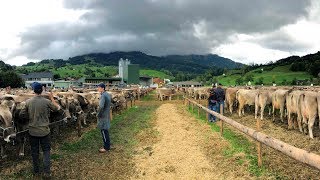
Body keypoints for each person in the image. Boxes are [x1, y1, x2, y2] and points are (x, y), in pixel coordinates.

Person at [21, 82, 60, 177]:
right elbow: (57, 108)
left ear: (33, 91)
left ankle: (36, 171)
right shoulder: (46, 102)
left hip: (33, 132)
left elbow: (21, 115)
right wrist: (51, 98)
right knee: (46, 151)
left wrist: (30, 117)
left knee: (35, 152)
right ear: (42, 90)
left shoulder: (28, 102)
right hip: (45, 131)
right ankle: (47, 172)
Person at [96, 83, 112, 153]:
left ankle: (106, 148)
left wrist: (98, 114)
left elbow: (101, 106)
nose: (98, 89)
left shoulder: (103, 96)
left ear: (103, 88)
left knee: (103, 131)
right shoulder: (108, 94)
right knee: (106, 131)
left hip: (103, 116)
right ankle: (108, 145)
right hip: (107, 114)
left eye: (99, 87)